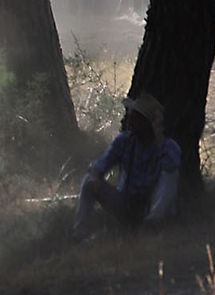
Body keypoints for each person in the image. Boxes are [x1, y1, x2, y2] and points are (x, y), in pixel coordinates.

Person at [72, 95, 179, 237]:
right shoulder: (124, 141)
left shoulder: (169, 147)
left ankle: (153, 224)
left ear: (148, 122)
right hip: (127, 204)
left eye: (135, 117)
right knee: (89, 181)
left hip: (152, 208)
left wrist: (158, 137)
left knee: (170, 175)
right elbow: (99, 167)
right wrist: (95, 177)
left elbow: (170, 170)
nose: (128, 121)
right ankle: (79, 234)